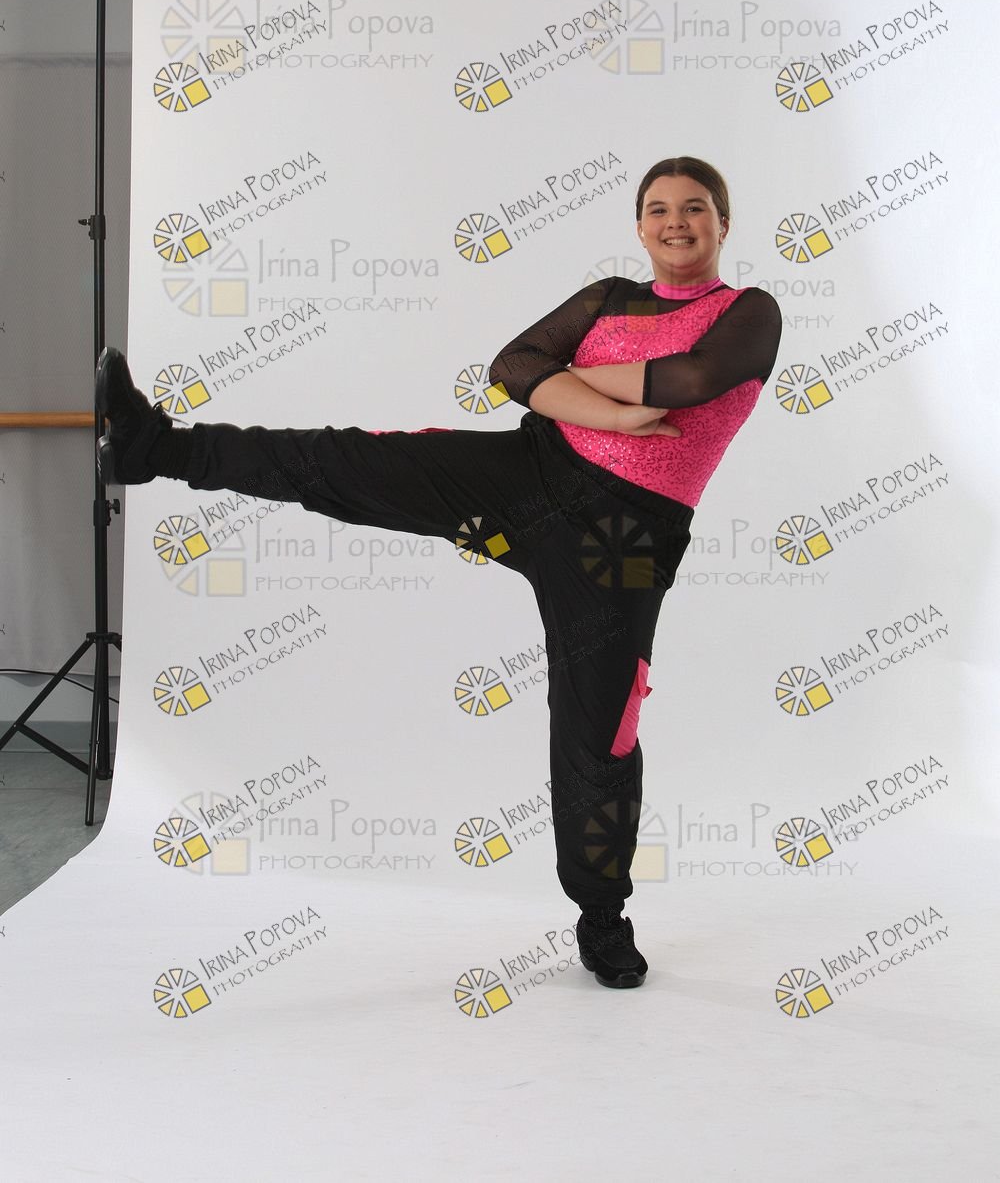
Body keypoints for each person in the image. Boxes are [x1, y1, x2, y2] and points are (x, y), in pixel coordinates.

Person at [95, 155, 781, 991]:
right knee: (350, 461)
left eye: (695, 208)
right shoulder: (610, 297)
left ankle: (602, 918)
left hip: (625, 536)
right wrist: (618, 413)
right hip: (528, 477)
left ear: (723, 223)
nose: (677, 222)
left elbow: (694, 379)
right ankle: (152, 447)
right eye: (659, 209)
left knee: (600, 730)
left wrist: (570, 382)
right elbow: (512, 368)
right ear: (639, 226)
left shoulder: (750, 312)